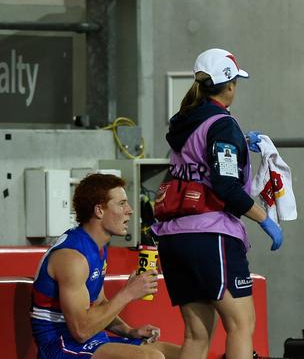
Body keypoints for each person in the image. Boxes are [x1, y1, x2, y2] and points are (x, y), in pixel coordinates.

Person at [151, 48, 283, 359]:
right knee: (241, 324)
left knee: (196, 335)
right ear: (230, 85)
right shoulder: (222, 125)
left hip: (172, 239)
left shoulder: (185, 121)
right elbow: (225, 186)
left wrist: (237, 142)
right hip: (210, 235)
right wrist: (264, 219)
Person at [30, 173, 181, 359]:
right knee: (151, 357)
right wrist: (128, 293)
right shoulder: (72, 258)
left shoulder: (98, 248)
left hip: (89, 338)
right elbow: (81, 330)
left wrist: (129, 331)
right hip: (61, 344)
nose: (130, 210)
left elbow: (99, 304)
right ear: (99, 211)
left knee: (180, 354)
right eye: (121, 203)